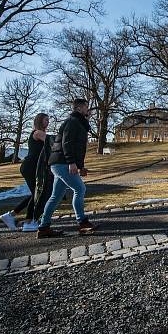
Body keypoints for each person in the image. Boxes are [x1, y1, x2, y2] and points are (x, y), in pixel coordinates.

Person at [37, 99, 96, 238]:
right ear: (80, 108)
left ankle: (43, 228)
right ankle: (82, 222)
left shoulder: (78, 123)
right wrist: (71, 163)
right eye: (86, 107)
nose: (88, 110)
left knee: (55, 196)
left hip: (59, 163)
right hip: (62, 163)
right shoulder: (72, 121)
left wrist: (80, 166)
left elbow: (78, 148)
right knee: (80, 189)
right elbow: (67, 143)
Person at [0, 113, 51, 231]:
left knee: (37, 193)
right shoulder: (37, 132)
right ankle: (28, 222)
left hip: (34, 166)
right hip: (30, 166)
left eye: (48, 120)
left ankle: (11, 215)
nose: (47, 122)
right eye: (45, 120)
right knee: (37, 193)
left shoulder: (39, 133)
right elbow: (51, 142)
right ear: (39, 121)